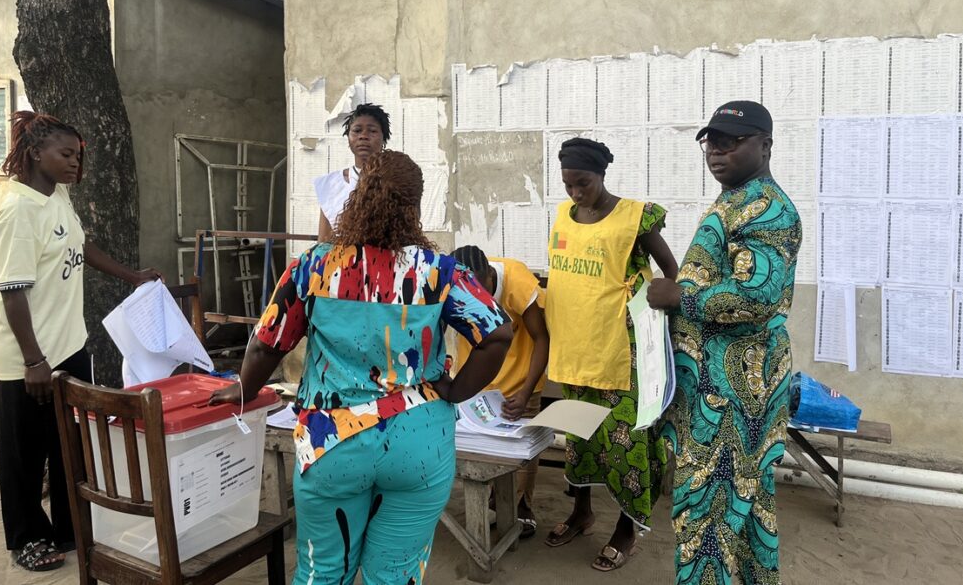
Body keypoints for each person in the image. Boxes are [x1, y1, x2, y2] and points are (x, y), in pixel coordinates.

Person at [210, 150, 511, 585]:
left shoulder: (314, 266)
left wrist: (241, 391)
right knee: (395, 575)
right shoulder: (440, 272)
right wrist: (455, 391)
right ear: (414, 207)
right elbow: (497, 335)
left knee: (322, 571)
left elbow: (264, 348)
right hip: (419, 442)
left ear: (358, 197)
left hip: (330, 444)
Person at [0, 111, 160, 573]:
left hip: (69, 346)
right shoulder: (19, 212)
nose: (75, 165)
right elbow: (13, 292)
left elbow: (80, 247)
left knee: (71, 443)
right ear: (35, 153)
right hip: (28, 357)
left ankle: (68, 527)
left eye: (78, 157)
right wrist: (33, 361)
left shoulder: (57, 195)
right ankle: (26, 536)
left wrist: (131, 275)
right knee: (25, 453)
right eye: (66, 155)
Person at [648, 101, 802, 585]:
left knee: (707, 517)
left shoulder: (768, 209)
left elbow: (756, 296)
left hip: (733, 399)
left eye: (730, 141)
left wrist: (681, 296)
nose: (715, 151)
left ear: (765, 145)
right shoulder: (738, 199)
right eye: (709, 141)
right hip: (717, 391)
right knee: (744, 507)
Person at [543, 137, 678, 572]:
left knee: (627, 444)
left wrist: (657, 313)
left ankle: (626, 528)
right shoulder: (565, 213)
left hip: (622, 351)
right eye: (568, 185)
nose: (576, 193)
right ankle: (581, 513)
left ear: (601, 175)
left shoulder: (634, 217)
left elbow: (672, 272)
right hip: (576, 347)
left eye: (583, 183)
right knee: (579, 438)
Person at [451, 245, 548, 538]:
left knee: (522, 449)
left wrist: (527, 389)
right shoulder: (451, 282)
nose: (477, 298)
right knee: (484, 447)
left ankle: (522, 506)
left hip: (520, 381)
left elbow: (542, 337)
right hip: (479, 383)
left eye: (482, 290)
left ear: (491, 276)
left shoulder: (517, 281)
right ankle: (495, 500)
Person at [314, 102, 391, 241]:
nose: (363, 136)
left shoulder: (397, 179)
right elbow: (324, 241)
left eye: (372, 131)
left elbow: (407, 231)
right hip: (343, 261)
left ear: (384, 138)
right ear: (348, 138)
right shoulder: (331, 184)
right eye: (357, 130)